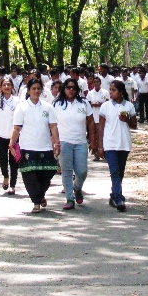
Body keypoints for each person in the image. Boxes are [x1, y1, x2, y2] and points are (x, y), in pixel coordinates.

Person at [9, 79, 61, 213]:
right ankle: (36, 202)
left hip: (45, 147)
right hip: (27, 147)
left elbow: (53, 126)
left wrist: (57, 142)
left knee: (47, 173)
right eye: (33, 88)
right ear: (28, 90)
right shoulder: (22, 107)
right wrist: (12, 144)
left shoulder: (48, 107)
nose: (36, 91)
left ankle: (40, 194)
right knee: (30, 176)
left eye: (38, 88)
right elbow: (17, 128)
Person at [53, 78, 96, 210]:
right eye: (68, 87)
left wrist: (93, 140)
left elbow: (91, 122)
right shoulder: (57, 104)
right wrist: (55, 142)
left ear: (77, 89)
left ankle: (77, 187)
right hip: (64, 141)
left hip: (80, 142)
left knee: (82, 171)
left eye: (73, 87)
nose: (71, 90)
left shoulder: (83, 103)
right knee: (66, 171)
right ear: (64, 89)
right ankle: (70, 198)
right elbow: (52, 124)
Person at [96, 80, 137, 212]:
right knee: (114, 171)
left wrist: (127, 120)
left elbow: (134, 125)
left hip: (124, 143)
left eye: (114, 90)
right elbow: (101, 127)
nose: (111, 92)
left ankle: (113, 195)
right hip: (110, 143)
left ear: (121, 92)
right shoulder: (105, 106)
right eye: (110, 89)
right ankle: (119, 198)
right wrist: (100, 146)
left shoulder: (129, 106)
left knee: (120, 172)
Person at [0, 78, 18, 194]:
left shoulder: (17, 101)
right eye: (4, 85)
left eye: (9, 85)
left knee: (14, 162)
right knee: (3, 159)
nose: (6, 87)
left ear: (12, 86)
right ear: (1, 87)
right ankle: (5, 176)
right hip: (0, 135)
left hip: (14, 136)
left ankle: (12, 185)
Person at [86, 76, 109, 161]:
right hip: (94, 116)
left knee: (103, 135)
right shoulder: (90, 93)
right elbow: (87, 104)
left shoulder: (105, 92)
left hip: (103, 116)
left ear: (100, 83)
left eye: (97, 82)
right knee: (95, 136)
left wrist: (101, 104)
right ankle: (96, 154)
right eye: (94, 82)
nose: (96, 84)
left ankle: (105, 153)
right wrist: (93, 104)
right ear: (92, 84)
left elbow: (108, 103)